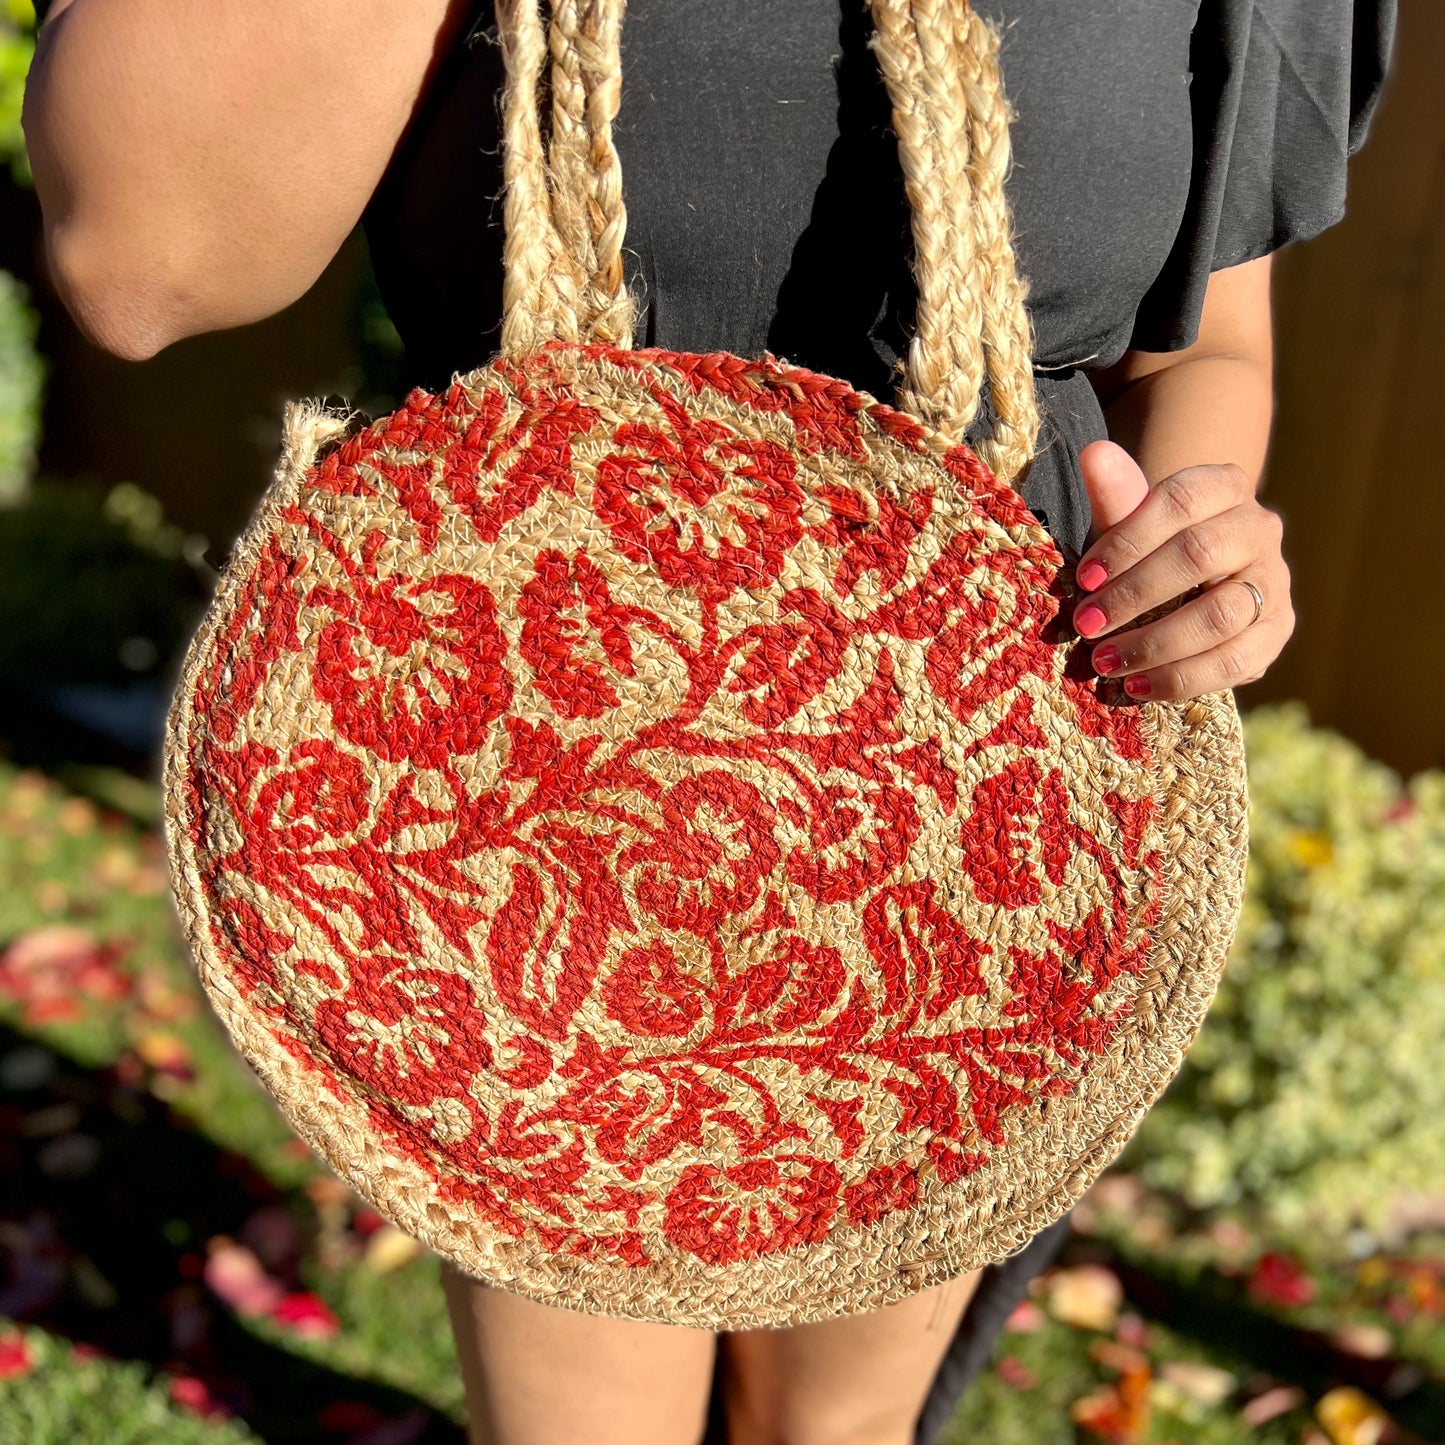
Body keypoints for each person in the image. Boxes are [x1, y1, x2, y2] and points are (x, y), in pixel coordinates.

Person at [21, 1, 1394, 1443]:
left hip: (978, 804)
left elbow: (1196, 351)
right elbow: (138, 255)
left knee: (841, 1429)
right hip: (542, 786)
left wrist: (1195, 536)